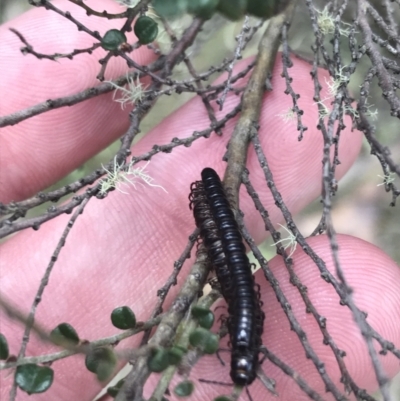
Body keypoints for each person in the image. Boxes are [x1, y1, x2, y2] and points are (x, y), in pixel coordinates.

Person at [1, 1, 399, 400]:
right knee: (239, 283)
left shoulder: (208, 203)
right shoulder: (209, 205)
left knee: (239, 285)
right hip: (234, 277)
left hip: (234, 277)